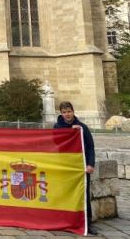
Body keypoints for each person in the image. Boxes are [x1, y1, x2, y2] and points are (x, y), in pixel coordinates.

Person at [54, 101, 97, 236]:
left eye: (69, 112)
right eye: (64, 112)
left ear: (73, 111)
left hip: (81, 167)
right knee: (65, 193)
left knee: (83, 194)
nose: (67, 114)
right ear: (61, 113)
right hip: (65, 166)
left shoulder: (82, 127)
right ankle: (65, 220)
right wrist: (68, 133)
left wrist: (90, 164)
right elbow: (56, 143)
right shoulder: (57, 127)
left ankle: (87, 223)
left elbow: (90, 146)